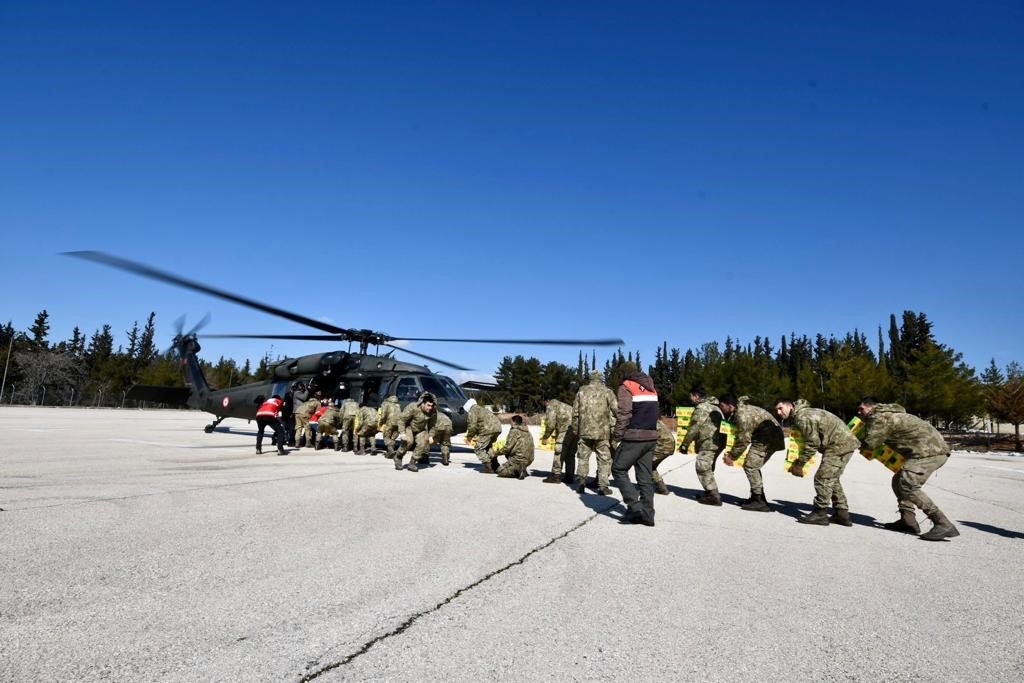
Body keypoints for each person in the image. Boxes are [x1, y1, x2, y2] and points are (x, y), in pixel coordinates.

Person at [857, 396, 959, 540]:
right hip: (930, 451)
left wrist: (851, 438)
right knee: (898, 481)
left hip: (927, 453)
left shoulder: (879, 417)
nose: (859, 412)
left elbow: (870, 443)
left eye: (861, 409)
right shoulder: (892, 414)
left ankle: (942, 523)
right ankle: (908, 520)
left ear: (871, 407)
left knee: (908, 486)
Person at [775, 398, 860, 526]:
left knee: (822, 478)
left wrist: (800, 463)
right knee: (832, 479)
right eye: (776, 410)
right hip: (843, 443)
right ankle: (841, 514)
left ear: (790, 406)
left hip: (838, 445)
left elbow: (812, 443)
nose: (778, 412)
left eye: (780, 408)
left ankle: (820, 513)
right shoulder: (805, 413)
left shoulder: (802, 417)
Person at [718, 394, 785, 512]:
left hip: (768, 436)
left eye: (722, 406)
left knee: (751, 466)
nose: (721, 408)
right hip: (768, 435)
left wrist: (731, 456)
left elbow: (743, 439)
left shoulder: (741, 415)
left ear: (730, 406)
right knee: (752, 466)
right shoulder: (741, 410)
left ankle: (759, 501)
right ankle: (757, 497)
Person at [612, 366, 660, 526]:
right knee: (645, 477)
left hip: (635, 436)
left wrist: (617, 436)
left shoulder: (627, 385)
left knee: (618, 469)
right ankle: (648, 514)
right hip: (651, 436)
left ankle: (635, 507)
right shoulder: (650, 386)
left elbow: (624, 413)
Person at [571, 370, 617, 495]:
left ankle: (581, 483)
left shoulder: (581, 391)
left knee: (583, 458)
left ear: (590, 378)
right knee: (603, 459)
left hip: (584, 431)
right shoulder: (608, 391)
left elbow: (575, 413)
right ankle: (603, 486)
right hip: (602, 433)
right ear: (601, 378)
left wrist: (576, 429)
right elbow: (616, 410)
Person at [679, 387, 726, 506]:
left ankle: (713, 495)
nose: (690, 399)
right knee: (708, 467)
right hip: (719, 442)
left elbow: (694, 427)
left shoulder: (702, 407)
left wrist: (685, 444)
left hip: (709, 441)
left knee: (702, 466)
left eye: (691, 396)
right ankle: (709, 491)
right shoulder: (715, 406)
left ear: (696, 396)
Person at [394, 392, 437, 472]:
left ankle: (412, 463)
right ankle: (398, 457)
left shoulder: (433, 412)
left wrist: (431, 436)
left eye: (432, 405)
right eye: (428, 405)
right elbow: (402, 420)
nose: (430, 408)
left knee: (423, 442)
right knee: (409, 441)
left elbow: (432, 425)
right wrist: (402, 433)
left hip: (420, 429)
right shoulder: (413, 407)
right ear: (423, 403)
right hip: (408, 427)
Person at [540, 397, 575, 484]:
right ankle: (569, 476)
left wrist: (545, 437)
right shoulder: (567, 406)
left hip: (565, 431)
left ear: (547, 401)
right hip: (575, 432)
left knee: (559, 453)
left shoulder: (551, 406)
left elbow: (551, 425)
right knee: (570, 454)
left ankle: (555, 476)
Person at [465, 398, 503, 473]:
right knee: (488, 447)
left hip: (487, 430)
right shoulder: (483, 409)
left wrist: (469, 437)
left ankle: (488, 466)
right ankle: (495, 465)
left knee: (478, 448)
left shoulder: (473, 410)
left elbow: (472, 426)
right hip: (497, 428)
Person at [494, 415, 535, 479]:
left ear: (514, 422)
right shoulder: (527, 431)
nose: (510, 423)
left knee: (500, 471)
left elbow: (507, 448)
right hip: (529, 459)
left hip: (519, 459)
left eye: (511, 421)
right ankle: (523, 469)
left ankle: (517, 469)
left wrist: (496, 453)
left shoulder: (514, 431)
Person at [651, 419, 676, 496]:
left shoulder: (647, 420)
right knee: (650, 465)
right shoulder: (654, 419)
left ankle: (659, 487)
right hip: (668, 445)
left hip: (663, 446)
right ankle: (661, 488)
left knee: (643, 464)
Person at [378, 394, 403, 459]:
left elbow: (383, 415)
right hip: (398, 423)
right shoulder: (398, 404)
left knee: (386, 437)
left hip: (390, 422)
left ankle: (391, 450)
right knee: (393, 438)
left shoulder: (385, 403)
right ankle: (390, 453)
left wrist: (380, 423)